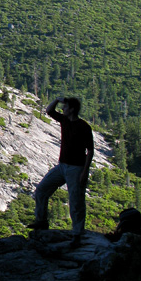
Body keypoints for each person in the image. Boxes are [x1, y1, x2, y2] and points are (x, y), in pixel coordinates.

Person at [29, 97, 94, 247]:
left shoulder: (84, 127)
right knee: (41, 190)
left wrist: (85, 172)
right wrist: (58, 99)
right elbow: (49, 110)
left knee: (76, 201)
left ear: (71, 109)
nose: (62, 109)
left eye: (65, 107)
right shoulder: (65, 121)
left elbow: (90, 151)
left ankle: (77, 234)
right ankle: (41, 221)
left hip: (76, 168)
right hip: (62, 166)